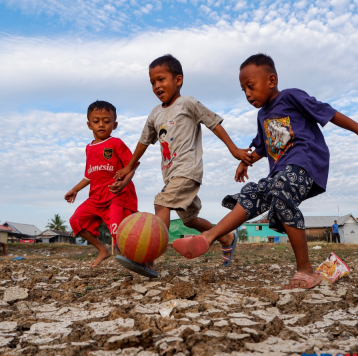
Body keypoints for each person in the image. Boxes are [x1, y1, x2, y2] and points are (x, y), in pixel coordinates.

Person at [170, 53, 358, 289]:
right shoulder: (262, 115)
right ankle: (209, 236)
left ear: (272, 80)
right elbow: (267, 146)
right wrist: (247, 160)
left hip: (306, 162)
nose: (247, 94)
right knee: (252, 194)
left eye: (251, 86)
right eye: (243, 89)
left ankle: (305, 270)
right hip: (280, 173)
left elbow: (328, 112)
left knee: (281, 190)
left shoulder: (291, 96)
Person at [113, 54, 253, 277]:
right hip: (171, 175)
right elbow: (143, 142)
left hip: (188, 170)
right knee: (190, 219)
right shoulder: (155, 114)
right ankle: (226, 237)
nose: (156, 86)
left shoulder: (187, 103)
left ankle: (147, 259)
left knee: (162, 204)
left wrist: (233, 149)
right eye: (152, 82)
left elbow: (213, 123)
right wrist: (129, 167)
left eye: (161, 79)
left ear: (178, 79)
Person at [66, 100, 139, 268]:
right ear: (89, 124)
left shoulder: (116, 143)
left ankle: (139, 260)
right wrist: (75, 190)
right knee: (76, 220)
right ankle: (102, 250)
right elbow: (89, 175)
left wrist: (124, 183)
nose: (101, 125)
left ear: (115, 124)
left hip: (117, 196)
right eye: (96, 121)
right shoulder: (89, 148)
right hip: (96, 198)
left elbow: (131, 166)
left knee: (119, 233)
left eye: (106, 121)